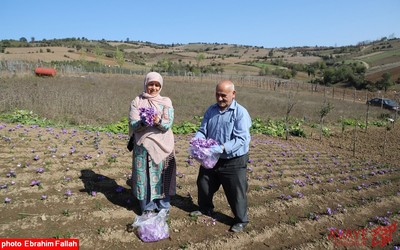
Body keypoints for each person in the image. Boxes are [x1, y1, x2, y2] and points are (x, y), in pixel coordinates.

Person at [190, 79, 252, 233]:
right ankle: (205, 208)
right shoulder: (211, 110)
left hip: (233, 160)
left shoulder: (240, 113)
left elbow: (241, 139)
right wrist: (197, 140)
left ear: (233, 94)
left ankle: (241, 220)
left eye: (223, 95)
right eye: (217, 95)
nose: (219, 98)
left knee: (235, 191)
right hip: (212, 157)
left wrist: (221, 147)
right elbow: (203, 130)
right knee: (204, 183)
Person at [128, 72, 176, 215]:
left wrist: (157, 121)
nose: (153, 88)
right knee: (145, 178)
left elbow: (167, 124)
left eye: (157, 85)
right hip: (142, 146)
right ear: (146, 84)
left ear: (160, 86)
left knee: (163, 177)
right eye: (151, 84)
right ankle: (147, 208)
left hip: (163, 146)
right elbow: (133, 123)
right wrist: (143, 121)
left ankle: (163, 207)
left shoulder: (166, 101)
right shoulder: (137, 101)